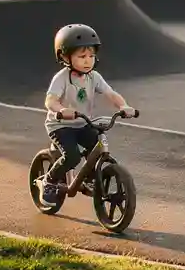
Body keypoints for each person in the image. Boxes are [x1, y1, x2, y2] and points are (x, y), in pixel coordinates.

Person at [40, 23, 136, 207]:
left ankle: (89, 178)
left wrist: (124, 105)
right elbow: (49, 101)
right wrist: (60, 110)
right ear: (65, 56)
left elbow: (110, 93)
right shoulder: (61, 78)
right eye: (82, 56)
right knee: (72, 157)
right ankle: (50, 182)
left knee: (96, 147)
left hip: (82, 123)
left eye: (91, 56)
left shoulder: (94, 77)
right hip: (60, 126)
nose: (88, 60)